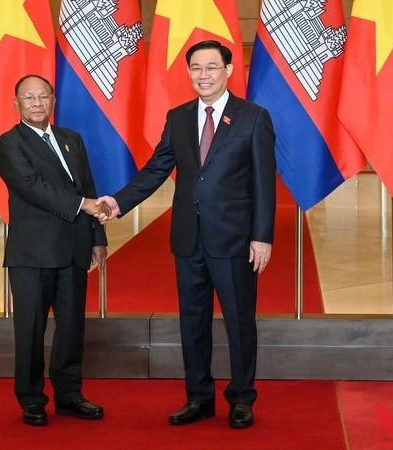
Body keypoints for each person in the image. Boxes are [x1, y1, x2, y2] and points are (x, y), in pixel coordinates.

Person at [97, 40, 276, 429]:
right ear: (188, 72)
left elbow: (264, 183)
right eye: (196, 68)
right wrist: (117, 203)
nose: (204, 75)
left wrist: (262, 236)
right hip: (188, 239)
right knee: (192, 322)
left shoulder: (253, 118)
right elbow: (155, 169)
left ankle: (242, 399)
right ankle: (198, 398)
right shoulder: (178, 117)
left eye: (212, 67)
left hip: (235, 241)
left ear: (229, 70)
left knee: (238, 322)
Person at [0, 74, 110, 426]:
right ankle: (31, 398)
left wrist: (98, 238)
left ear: (52, 101)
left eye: (43, 96)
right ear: (16, 104)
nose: (36, 103)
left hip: (74, 248)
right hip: (32, 253)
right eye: (28, 97)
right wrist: (85, 205)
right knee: (30, 329)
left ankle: (69, 394)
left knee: (72, 326)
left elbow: (88, 185)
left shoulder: (71, 139)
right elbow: (33, 187)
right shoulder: (9, 144)